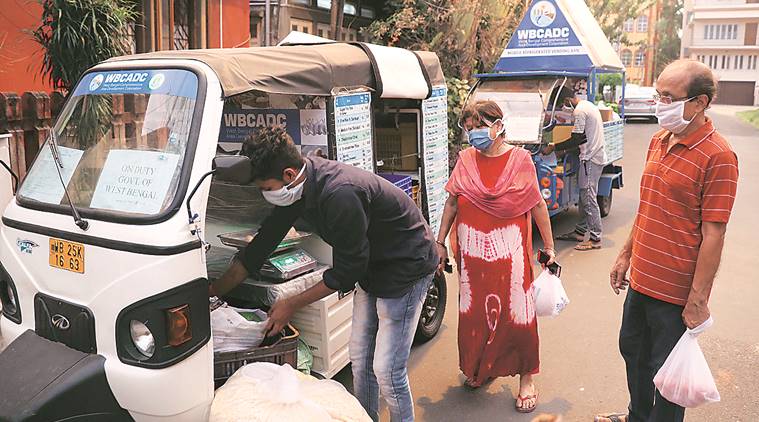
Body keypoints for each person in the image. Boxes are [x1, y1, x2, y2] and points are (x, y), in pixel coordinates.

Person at [209, 127, 439, 422]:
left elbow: (347, 270)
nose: (264, 194)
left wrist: (291, 303)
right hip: (371, 265)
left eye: (266, 188)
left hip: (407, 266)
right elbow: (260, 247)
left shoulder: (339, 193)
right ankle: (364, 418)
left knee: (387, 370)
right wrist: (214, 290)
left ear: (289, 176)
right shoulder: (299, 189)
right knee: (360, 359)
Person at [596, 60, 738, 422]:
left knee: (668, 376)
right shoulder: (659, 140)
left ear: (699, 103)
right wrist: (625, 254)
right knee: (633, 351)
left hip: (675, 293)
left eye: (668, 96)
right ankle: (636, 416)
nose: (659, 103)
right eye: (658, 93)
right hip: (642, 279)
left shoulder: (719, 155)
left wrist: (698, 300)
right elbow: (649, 206)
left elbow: (714, 234)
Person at [436, 100, 555, 414]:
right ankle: (481, 366)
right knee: (475, 314)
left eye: (479, 125)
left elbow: (537, 205)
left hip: (511, 255)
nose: (473, 132)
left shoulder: (521, 161)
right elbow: (451, 203)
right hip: (472, 256)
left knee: (517, 317)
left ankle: (527, 379)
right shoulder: (465, 160)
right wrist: (440, 242)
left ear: (499, 125)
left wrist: (550, 247)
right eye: (469, 127)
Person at [543, 86, 607, 251]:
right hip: (593, 156)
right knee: (584, 197)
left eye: (562, 105)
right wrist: (564, 150)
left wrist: (555, 147)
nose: (563, 109)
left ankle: (595, 238)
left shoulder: (579, 111)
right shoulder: (588, 106)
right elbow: (583, 137)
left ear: (566, 101)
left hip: (590, 159)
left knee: (588, 198)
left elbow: (576, 138)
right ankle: (580, 232)